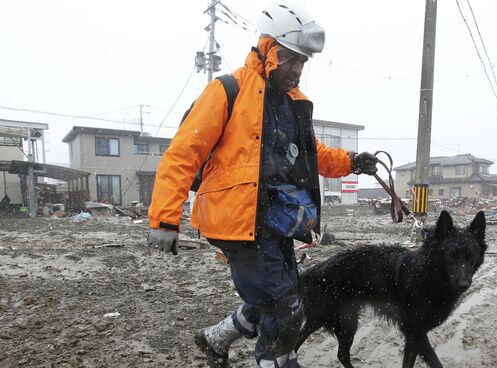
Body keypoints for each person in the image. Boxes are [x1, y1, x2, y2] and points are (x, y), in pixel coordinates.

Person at [146, 2, 379, 367]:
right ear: (269, 49)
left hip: (276, 221)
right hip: (236, 223)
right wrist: (164, 219)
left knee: (275, 297)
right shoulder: (228, 90)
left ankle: (215, 338)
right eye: (291, 58)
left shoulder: (293, 104)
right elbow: (182, 154)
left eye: (303, 61)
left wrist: (351, 163)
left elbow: (309, 154)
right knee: (285, 308)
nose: (298, 69)